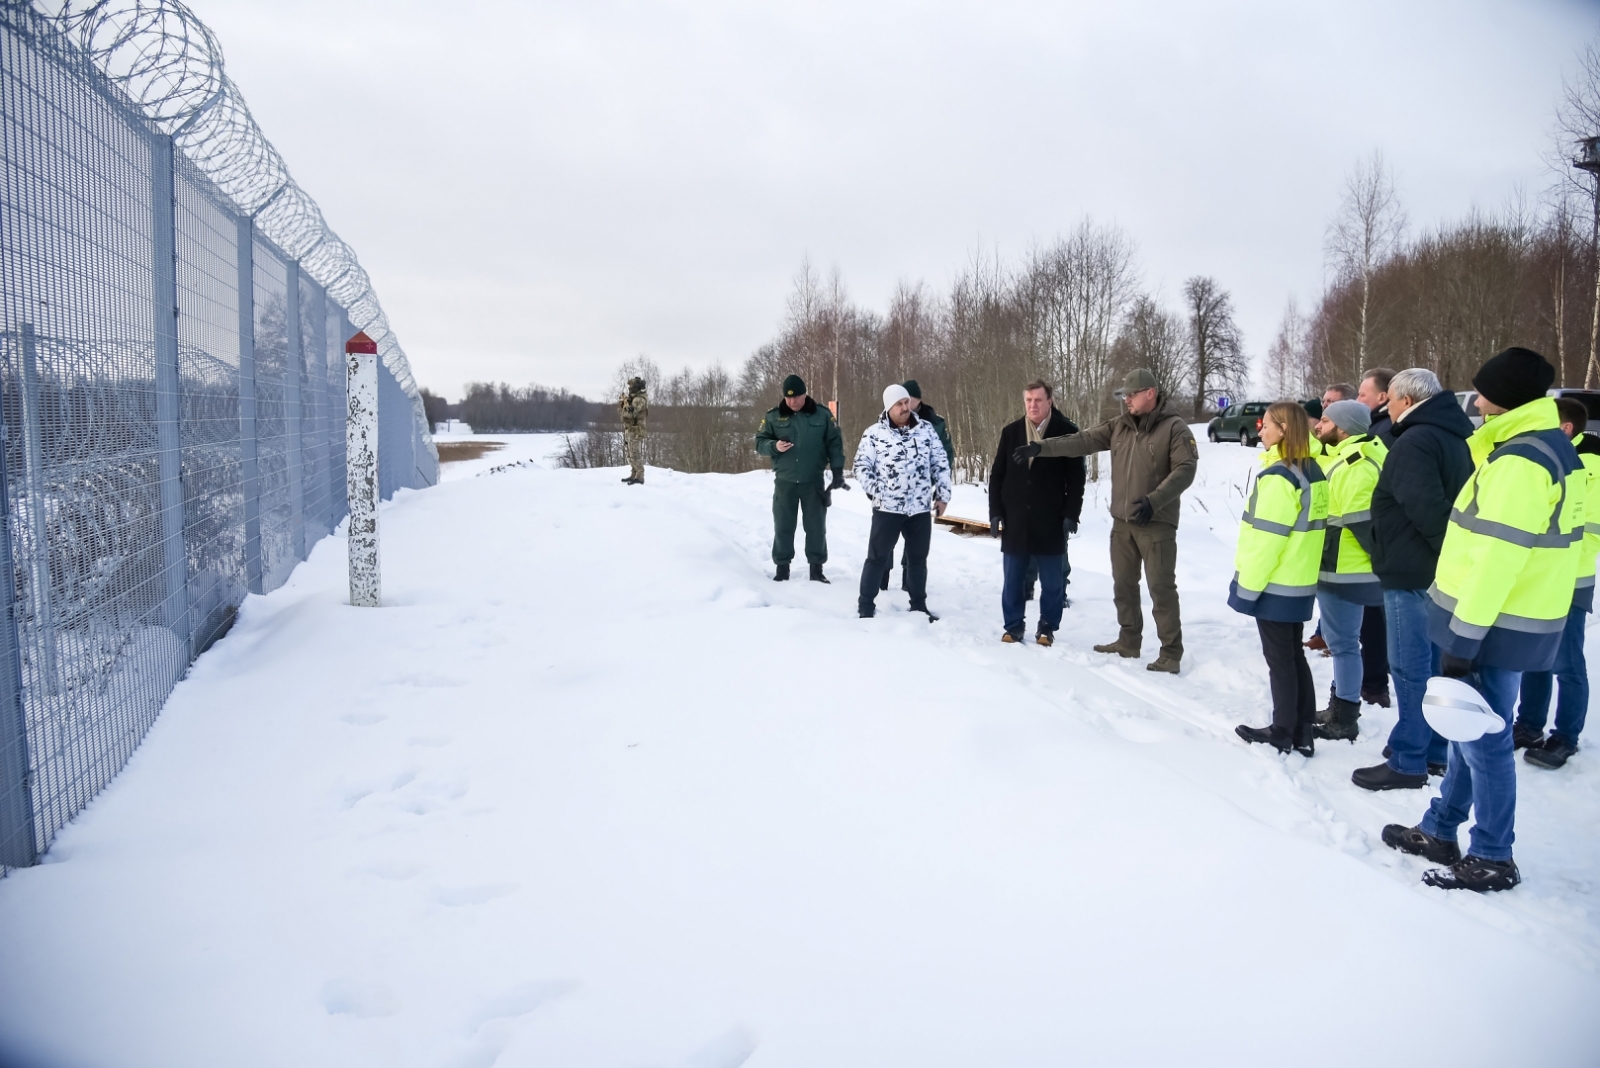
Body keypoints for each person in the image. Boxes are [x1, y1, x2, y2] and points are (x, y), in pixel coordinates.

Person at [1383, 347, 1583, 892]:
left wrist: (1464, 638)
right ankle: (1441, 828)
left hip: (1492, 621)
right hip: (1500, 618)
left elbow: (1497, 557)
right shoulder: (1533, 446)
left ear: (1506, 394)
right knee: (1469, 730)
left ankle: (1494, 853)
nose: (1472, 395)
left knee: (1485, 738)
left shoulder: (1523, 461)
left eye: (1482, 386)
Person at [1012, 368, 1197, 674]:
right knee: (1123, 585)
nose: (1127, 400)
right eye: (1124, 396)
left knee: (1160, 589)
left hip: (1156, 523)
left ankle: (1171, 652)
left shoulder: (1174, 428)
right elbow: (1080, 441)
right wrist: (1042, 448)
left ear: (1150, 394)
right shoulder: (1120, 426)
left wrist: (1154, 501)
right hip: (1122, 523)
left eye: (1132, 395)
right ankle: (1128, 640)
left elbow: (1185, 469)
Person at [1352, 368, 1473, 791]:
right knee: (1433, 666)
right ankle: (1433, 747)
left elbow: (1426, 507)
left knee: (1409, 667)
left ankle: (1408, 759)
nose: (1387, 408)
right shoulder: (1451, 435)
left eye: (1390, 401)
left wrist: (1441, 552)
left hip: (1411, 570)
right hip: (1433, 569)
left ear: (1403, 399)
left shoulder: (1416, 440)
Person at [1230, 402, 1329, 756]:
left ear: (1284, 429)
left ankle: (1282, 730)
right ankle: (1302, 730)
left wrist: (1248, 588)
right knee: (1293, 657)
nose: (1260, 431)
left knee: (1280, 661)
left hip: (1274, 582)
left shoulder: (1280, 476)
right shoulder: (1313, 471)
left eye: (1266, 425)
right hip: (1299, 581)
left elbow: (1267, 540)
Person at [1511, 396, 1598, 769]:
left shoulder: (1589, 463)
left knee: (1566, 661)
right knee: (1535, 656)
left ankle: (1566, 736)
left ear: (1565, 428)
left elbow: (1588, 529)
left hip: (1569, 578)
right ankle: (1529, 724)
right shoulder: (1551, 457)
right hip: (1540, 576)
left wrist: (1561, 570)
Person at [1310, 400, 1388, 741]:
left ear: (1342, 427)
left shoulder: (1356, 465)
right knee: (1343, 643)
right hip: (1341, 566)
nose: (1318, 426)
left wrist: (1380, 565)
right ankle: (1339, 705)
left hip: (1347, 570)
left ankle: (1344, 717)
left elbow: (1363, 526)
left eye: (1325, 421)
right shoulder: (1345, 456)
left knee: (1343, 645)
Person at [989, 380, 1086, 645]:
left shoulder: (1067, 432)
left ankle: (1047, 627)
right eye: (1028, 400)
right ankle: (1013, 626)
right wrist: (995, 511)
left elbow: (1076, 478)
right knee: (1013, 580)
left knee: (1053, 582)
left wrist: (1071, 513)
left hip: (1051, 519)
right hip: (1016, 517)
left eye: (1038, 400)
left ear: (1049, 401)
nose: (1032, 405)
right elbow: (997, 475)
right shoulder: (1011, 433)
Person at [855, 384, 952, 620]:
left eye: (906, 402)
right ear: (889, 407)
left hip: (918, 508)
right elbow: (861, 466)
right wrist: (876, 490)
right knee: (877, 558)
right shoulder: (874, 433)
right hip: (887, 509)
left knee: (918, 560)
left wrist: (943, 495)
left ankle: (919, 606)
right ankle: (866, 605)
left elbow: (940, 464)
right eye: (899, 404)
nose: (905, 407)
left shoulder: (926, 430)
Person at [755, 374, 845, 582]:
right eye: (788, 398)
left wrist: (838, 470)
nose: (792, 401)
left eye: (796, 397)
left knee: (815, 527)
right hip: (785, 482)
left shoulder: (821, 415)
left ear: (805, 394)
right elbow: (759, 442)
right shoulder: (773, 416)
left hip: (813, 481)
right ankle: (782, 568)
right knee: (783, 526)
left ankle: (816, 569)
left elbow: (834, 443)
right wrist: (773, 446)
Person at [882, 380, 956, 591]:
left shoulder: (935, 423)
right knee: (885, 537)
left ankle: (910, 583)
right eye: (902, 400)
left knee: (916, 542)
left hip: (920, 491)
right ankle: (882, 578)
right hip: (892, 490)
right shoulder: (887, 420)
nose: (906, 405)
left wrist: (938, 487)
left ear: (919, 399)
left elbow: (945, 457)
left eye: (910, 400)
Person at [1305, 382, 1358, 657]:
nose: (1324, 406)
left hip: (1345, 554)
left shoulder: (1355, 461)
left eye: (1330, 404)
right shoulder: (1324, 444)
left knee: (1346, 641)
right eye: (1324, 402)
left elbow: (1358, 519)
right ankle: (1322, 632)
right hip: (1327, 545)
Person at [1355, 368, 1397, 707]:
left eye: (1362, 395)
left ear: (1383, 397)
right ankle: (1374, 680)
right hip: (1381, 539)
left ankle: (1374, 683)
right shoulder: (1380, 428)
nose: (1358, 400)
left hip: (1380, 540)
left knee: (1376, 618)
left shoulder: (1383, 433)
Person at [619, 376, 648, 484]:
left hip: (636, 430)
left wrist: (624, 409)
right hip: (631, 429)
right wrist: (624, 404)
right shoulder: (633, 398)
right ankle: (634, 474)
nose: (629, 388)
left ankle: (640, 477)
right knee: (630, 454)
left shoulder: (639, 399)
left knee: (635, 454)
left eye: (631, 386)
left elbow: (631, 414)